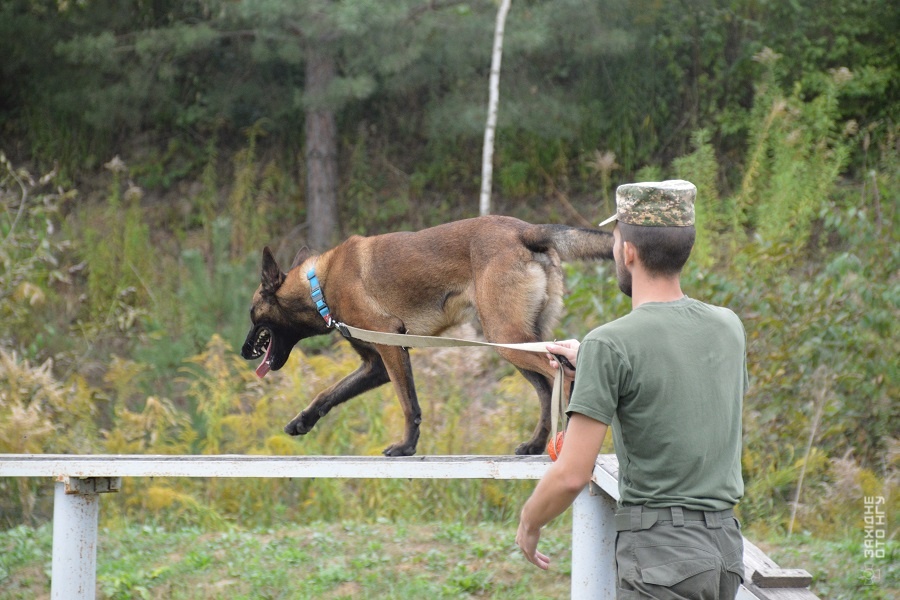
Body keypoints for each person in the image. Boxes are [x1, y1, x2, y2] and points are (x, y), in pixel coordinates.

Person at [516, 180, 747, 599]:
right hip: (726, 551)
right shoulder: (728, 326)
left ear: (628, 252)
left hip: (661, 557)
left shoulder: (611, 344)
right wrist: (589, 368)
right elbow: (672, 379)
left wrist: (529, 522)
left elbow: (571, 475)